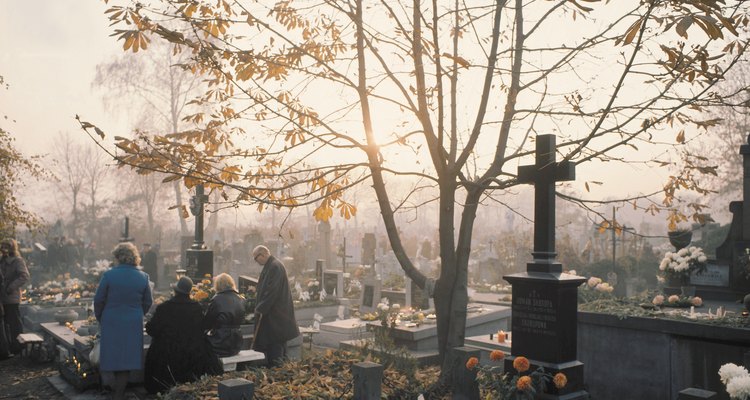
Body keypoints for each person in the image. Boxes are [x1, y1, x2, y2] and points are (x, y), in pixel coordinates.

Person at [94, 242, 153, 400]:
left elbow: (99, 300)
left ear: (118, 257)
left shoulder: (109, 275)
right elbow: (148, 302)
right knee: (127, 359)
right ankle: (119, 393)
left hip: (111, 319)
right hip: (132, 322)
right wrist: (138, 314)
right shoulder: (143, 277)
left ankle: (117, 393)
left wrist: (101, 317)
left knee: (113, 356)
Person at [144, 276, 221, 394]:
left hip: (167, 354)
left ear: (175, 291)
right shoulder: (196, 307)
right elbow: (201, 328)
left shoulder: (165, 307)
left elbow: (152, 329)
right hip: (193, 354)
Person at [251, 245, 299, 367]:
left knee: (276, 344)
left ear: (262, 254)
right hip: (276, 314)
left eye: (256, 259)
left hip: (276, 315)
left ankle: (277, 370)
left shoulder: (274, 267)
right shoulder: (272, 265)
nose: (256, 262)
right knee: (279, 343)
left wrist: (260, 308)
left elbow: (272, 291)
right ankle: (281, 369)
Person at [202, 273, 244, 357]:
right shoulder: (240, 299)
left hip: (220, 343)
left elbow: (207, 323)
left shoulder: (217, 299)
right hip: (236, 344)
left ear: (217, 285)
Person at [0, 238, 30, 355]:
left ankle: (18, 347)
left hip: (11, 297)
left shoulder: (17, 261)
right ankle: (8, 347)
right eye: (2, 246)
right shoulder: (1, 261)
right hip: (2, 297)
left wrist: (11, 287)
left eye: (6, 246)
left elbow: (24, 276)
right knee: (5, 325)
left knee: (14, 324)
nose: (3, 249)